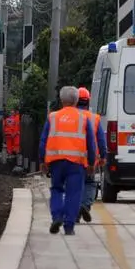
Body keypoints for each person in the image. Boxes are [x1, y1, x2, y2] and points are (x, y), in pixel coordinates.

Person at [38, 85, 97, 236]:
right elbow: (91, 143)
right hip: (76, 163)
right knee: (74, 193)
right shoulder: (83, 118)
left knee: (56, 189)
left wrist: (42, 161)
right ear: (76, 100)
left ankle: (57, 216)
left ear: (61, 100)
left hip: (56, 161)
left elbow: (43, 141)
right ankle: (69, 226)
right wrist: (91, 163)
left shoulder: (52, 117)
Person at [76, 87, 108, 223]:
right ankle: (84, 205)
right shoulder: (94, 118)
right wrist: (103, 157)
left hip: (72, 158)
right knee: (90, 183)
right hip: (90, 159)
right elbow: (101, 140)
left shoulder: (69, 117)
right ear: (88, 101)